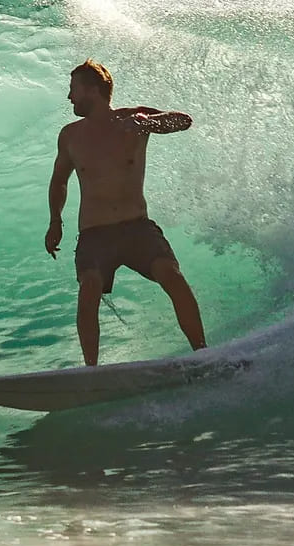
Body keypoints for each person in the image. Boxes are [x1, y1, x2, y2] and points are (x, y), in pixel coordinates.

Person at [44, 59, 207, 366]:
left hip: (137, 228)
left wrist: (149, 123)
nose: (69, 97)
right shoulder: (70, 136)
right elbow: (59, 181)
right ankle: (92, 371)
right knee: (89, 287)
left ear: (92, 90)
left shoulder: (134, 120)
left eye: (73, 89)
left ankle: (204, 353)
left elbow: (183, 121)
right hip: (95, 234)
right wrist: (55, 221)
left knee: (171, 276)